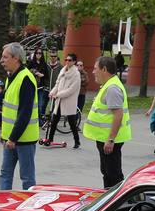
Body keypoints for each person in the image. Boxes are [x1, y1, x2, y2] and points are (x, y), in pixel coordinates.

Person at [0, 42, 40, 189]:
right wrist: (5, 135)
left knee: (27, 178)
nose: (1, 60)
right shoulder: (11, 77)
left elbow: (24, 113)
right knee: (5, 173)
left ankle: (28, 209)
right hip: (11, 138)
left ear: (16, 58)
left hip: (24, 139)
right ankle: (4, 205)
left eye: (5, 57)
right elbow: (9, 110)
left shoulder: (26, 79)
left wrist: (13, 138)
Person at [83, 55, 130, 188]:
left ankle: (116, 203)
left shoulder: (112, 88)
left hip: (109, 140)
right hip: (106, 138)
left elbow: (118, 115)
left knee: (113, 174)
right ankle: (109, 200)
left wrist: (110, 139)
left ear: (104, 69)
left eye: (95, 68)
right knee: (108, 172)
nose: (93, 72)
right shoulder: (109, 85)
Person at [44, 52, 83, 147]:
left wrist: (58, 95)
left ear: (74, 62)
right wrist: (52, 92)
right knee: (54, 121)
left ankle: (77, 141)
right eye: (66, 60)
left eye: (69, 60)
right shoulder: (63, 70)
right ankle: (50, 139)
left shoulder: (76, 74)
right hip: (59, 101)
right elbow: (57, 84)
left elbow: (71, 90)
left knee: (72, 123)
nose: (67, 62)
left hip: (69, 101)